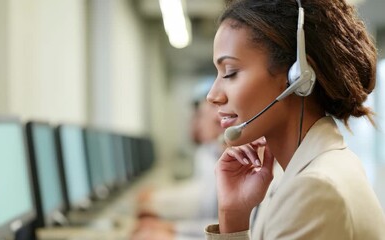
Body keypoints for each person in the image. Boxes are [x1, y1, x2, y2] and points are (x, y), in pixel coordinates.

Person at [204, 0, 385, 239]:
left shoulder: (315, 189)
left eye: (230, 72)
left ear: (298, 75)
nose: (212, 96)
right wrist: (233, 214)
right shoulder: (295, 171)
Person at [133, 79, 224, 240]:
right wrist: (172, 228)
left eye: (201, 115)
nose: (197, 123)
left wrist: (173, 231)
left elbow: (227, 227)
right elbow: (207, 204)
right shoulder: (212, 152)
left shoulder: (226, 156)